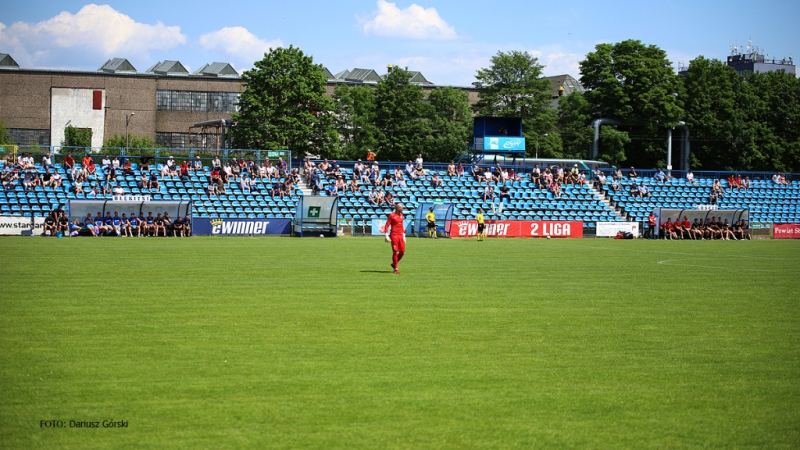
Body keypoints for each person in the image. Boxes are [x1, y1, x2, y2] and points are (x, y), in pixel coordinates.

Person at [385, 203, 406, 274]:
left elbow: (402, 225)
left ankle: (394, 263)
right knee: (395, 251)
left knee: (402, 252)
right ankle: (396, 268)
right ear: (398, 208)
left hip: (400, 235)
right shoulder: (392, 215)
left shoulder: (402, 215)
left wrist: (403, 234)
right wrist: (386, 235)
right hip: (394, 235)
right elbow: (387, 225)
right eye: (401, 207)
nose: (402, 208)